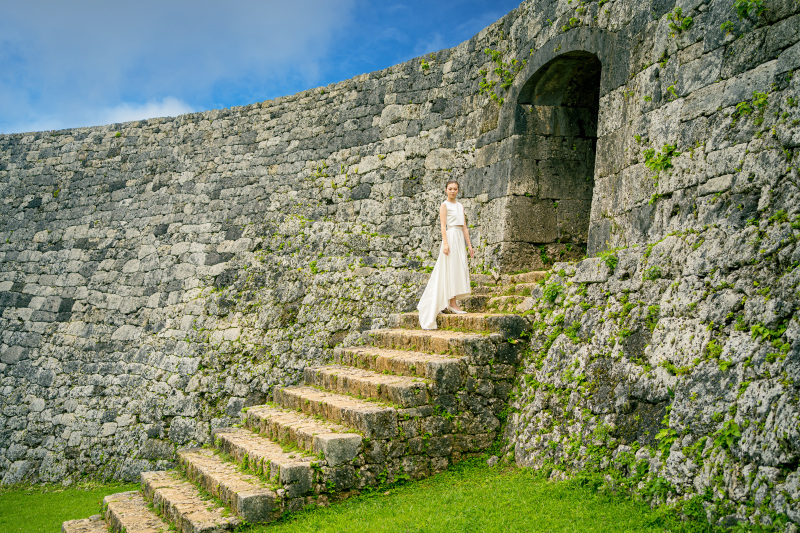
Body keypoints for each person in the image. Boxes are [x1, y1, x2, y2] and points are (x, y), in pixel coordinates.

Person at [417, 179, 474, 330]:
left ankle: (452, 301)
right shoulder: (444, 205)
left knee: (457, 269)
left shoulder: (460, 206)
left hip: (459, 240)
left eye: (455, 189)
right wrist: (446, 243)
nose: (453, 191)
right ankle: (451, 302)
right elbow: (443, 225)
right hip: (450, 238)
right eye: (450, 189)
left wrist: (469, 245)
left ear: (458, 190)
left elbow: (465, 227)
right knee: (448, 269)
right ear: (446, 190)